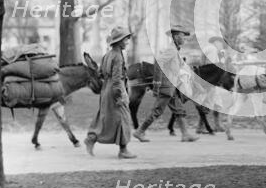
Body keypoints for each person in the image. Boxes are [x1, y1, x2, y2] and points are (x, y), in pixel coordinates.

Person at [133, 24, 198, 143]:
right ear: (177, 37)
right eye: (183, 36)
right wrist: (157, 84)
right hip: (166, 87)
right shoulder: (171, 50)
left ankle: (185, 134)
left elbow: (177, 67)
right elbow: (158, 63)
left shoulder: (175, 51)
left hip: (172, 87)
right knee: (157, 111)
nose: (184, 39)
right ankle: (140, 131)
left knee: (179, 110)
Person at [84, 27, 136, 159]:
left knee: (105, 118)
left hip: (106, 90)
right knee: (123, 118)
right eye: (125, 39)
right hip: (115, 91)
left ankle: (91, 139)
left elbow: (101, 73)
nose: (127, 42)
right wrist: (120, 96)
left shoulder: (107, 54)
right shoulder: (118, 56)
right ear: (119, 42)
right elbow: (117, 79)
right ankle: (123, 150)